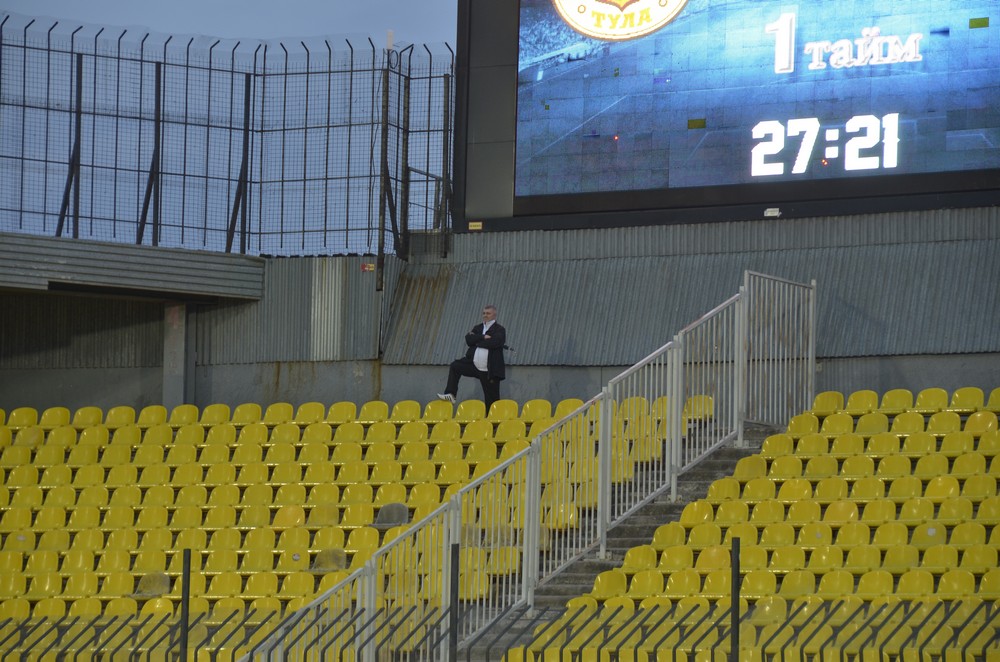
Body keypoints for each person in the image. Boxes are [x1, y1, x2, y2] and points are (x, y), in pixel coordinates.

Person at [437, 304, 506, 411]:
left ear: (494, 315)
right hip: (473, 365)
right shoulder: (478, 327)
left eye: (488, 313)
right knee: (455, 366)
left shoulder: (500, 329)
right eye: (484, 313)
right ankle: (451, 394)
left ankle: (493, 425)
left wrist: (477, 342)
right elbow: (469, 339)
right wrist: (483, 337)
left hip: (489, 370)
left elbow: (495, 342)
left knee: (492, 401)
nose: (485, 315)